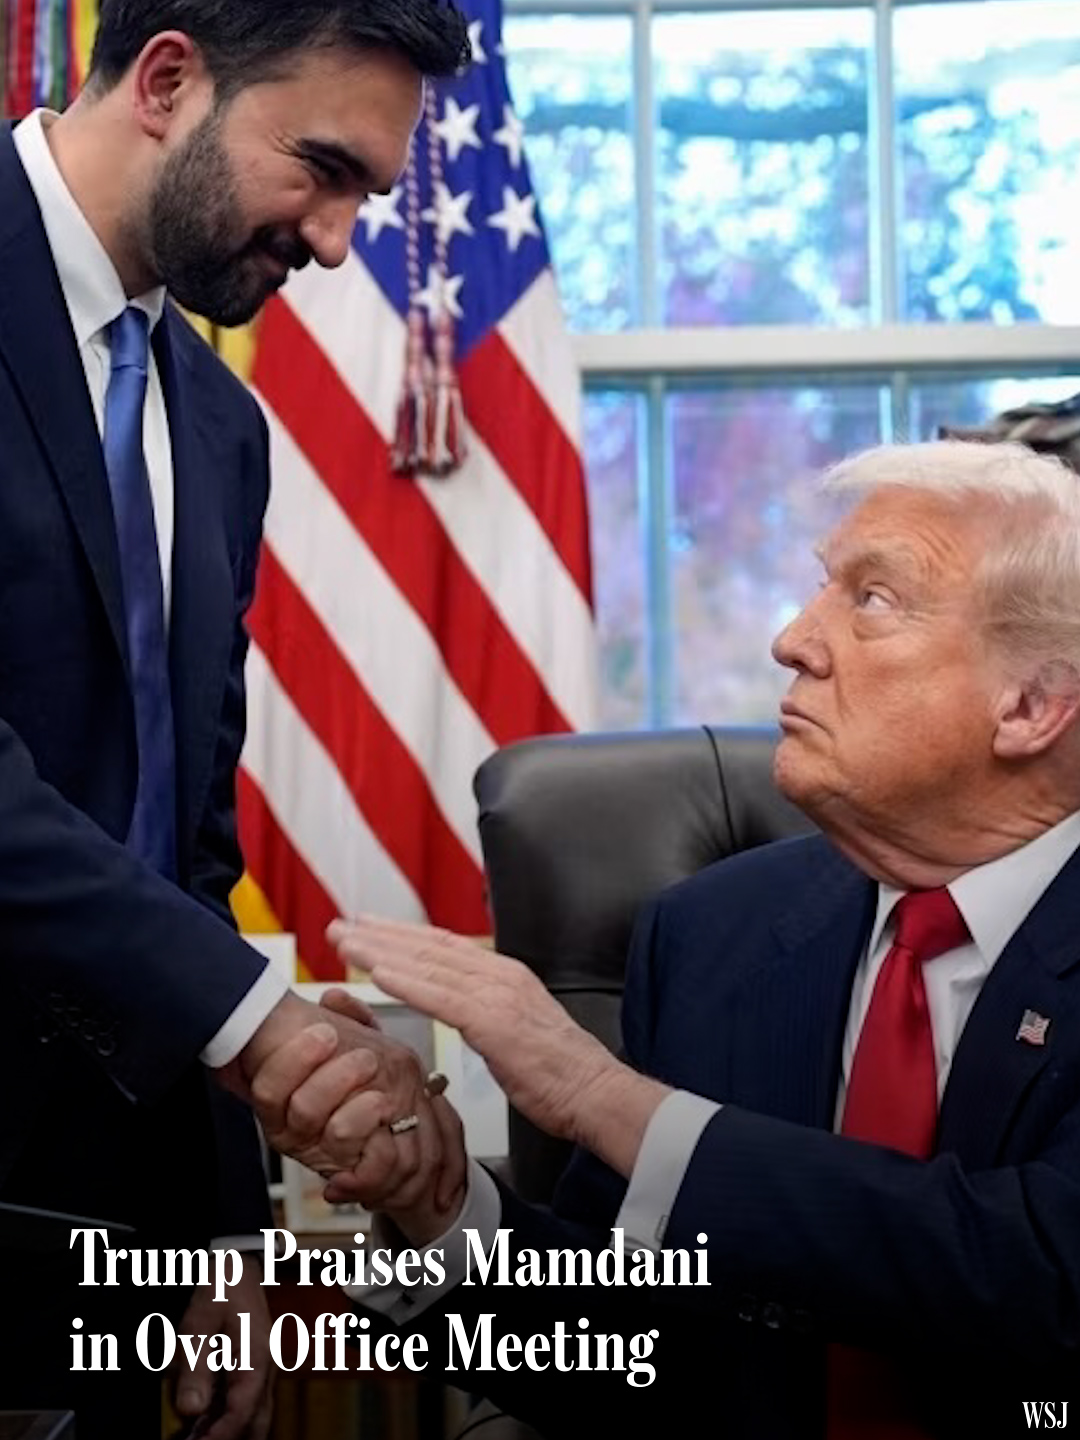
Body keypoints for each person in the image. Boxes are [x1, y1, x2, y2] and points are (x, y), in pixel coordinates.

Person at [275, 440, 1080, 1437]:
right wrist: (438, 1208)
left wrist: (600, 1097)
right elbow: (618, 1359)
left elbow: (1045, 1282)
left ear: (1031, 707)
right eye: (820, 589)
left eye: (873, 600)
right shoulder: (712, 935)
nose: (793, 640)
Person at [0, 3, 469, 1436]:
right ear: (165, 79)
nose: (334, 240)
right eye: (320, 168)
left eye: (366, 199)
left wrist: (225, 1231)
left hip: (101, 1219)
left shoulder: (217, 421)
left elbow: (182, 861)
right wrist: (269, 1037)